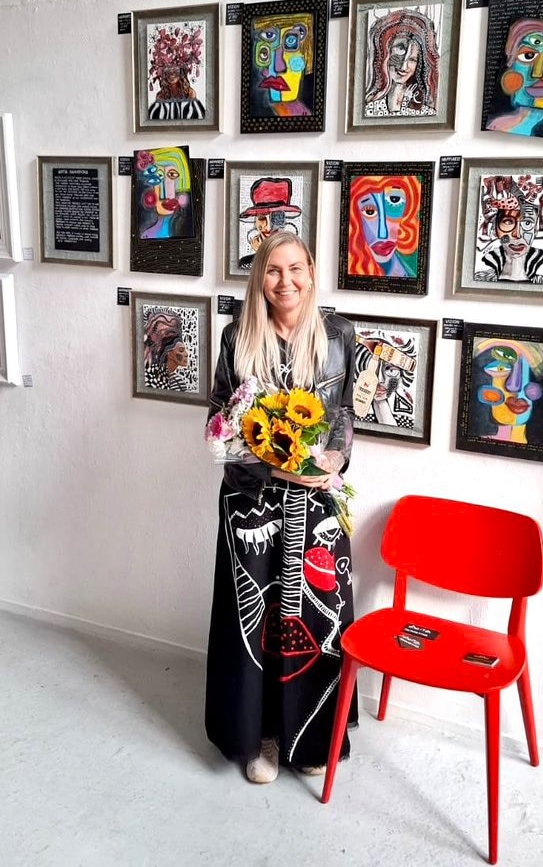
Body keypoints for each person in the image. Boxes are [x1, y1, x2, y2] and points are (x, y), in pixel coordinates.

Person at [205, 232, 357, 784]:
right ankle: (262, 738)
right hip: (253, 505)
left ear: (311, 272)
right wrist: (273, 469)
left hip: (317, 502)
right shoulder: (236, 338)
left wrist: (333, 460)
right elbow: (219, 429)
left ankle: (311, 737)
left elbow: (344, 416)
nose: (285, 281)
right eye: (272, 270)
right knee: (258, 626)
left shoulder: (339, 335)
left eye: (295, 268)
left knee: (315, 620)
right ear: (258, 279)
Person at [364, 8, 439, 117]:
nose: (403, 66)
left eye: (412, 59)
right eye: (399, 51)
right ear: (384, 52)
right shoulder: (368, 110)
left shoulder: (427, 113)